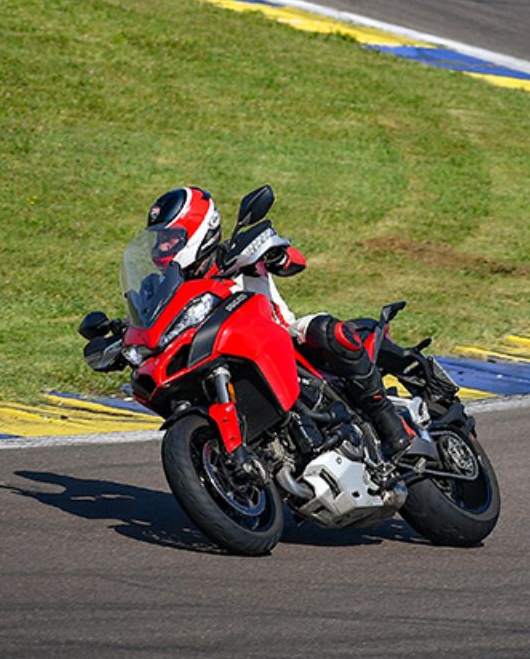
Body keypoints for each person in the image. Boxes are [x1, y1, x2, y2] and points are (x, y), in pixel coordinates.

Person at [144, 186, 450, 463]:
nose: (162, 247)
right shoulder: (166, 286)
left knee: (326, 331)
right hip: (222, 351)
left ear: (200, 229)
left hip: (284, 338)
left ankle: (390, 424)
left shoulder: (234, 255)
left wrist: (276, 254)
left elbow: (296, 260)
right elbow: (149, 320)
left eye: (171, 237)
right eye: (158, 240)